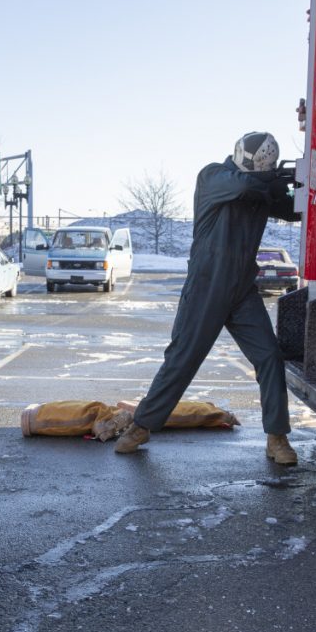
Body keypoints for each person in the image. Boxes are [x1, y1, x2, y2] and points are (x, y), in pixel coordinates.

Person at [114, 132, 300, 466]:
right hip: (206, 286)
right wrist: (270, 181)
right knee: (182, 359)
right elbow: (244, 186)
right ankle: (141, 426)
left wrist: (295, 187)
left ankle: (276, 436)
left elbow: (293, 212)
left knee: (270, 357)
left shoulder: (261, 188)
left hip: (242, 289)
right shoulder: (214, 175)